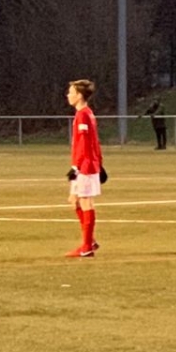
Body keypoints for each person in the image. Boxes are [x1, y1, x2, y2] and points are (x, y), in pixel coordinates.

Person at [67, 79, 105, 258]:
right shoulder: (85, 114)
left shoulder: (83, 115)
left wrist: (76, 167)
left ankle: (87, 247)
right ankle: (89, 241)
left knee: (85, 201)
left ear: (80, 95)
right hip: (85, 164)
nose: (68, 95)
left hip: (85, 166)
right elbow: (94, 141)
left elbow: (84, 143)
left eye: (71, 92)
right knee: (74, 201)